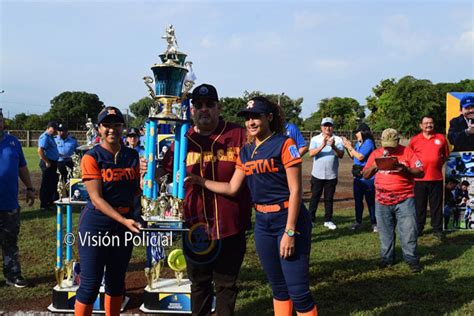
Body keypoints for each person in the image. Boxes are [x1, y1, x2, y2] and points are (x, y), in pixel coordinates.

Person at [186, 96, 316, 316]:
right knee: (278, 288)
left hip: (287, 218)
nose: (251, 122)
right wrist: (201, 181)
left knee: (298, 290)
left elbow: (296, 191)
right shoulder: (246, 151)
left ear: (269, 117)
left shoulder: (285, 143)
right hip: (263, 223)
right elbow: (232, 188)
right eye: (247, 118)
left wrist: (290, 231)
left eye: (256, 116)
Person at [152, 84, 252, 316]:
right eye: (199, 105)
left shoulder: (237, 134)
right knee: (199, 285)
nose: (204, 109)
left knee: (226, 285)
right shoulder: (183, 139)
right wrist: (150, 171)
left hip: (230, 225)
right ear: (192, 109)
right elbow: (164, 174)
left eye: (210, 105)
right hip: (195, 226)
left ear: (219, 107)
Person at [75, 106, 141, 315]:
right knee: (90, 284)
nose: (112, 129)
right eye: (107, 125)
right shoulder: (92, 157)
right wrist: (124, 221)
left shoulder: (132, 155)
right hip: (96, 225)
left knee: (116, 281)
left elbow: (136, 192)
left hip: (123, 225)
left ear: (123, 127)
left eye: (117, 125)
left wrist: (148, 178)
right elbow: (96, 198)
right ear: (98, 129)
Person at [362, 128, 424, 273]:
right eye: (386, 144)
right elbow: (365, 175)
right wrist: (374, 167)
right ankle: (387, 259)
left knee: (408, 231)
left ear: (398, 141)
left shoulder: (407, 152)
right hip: (382, 200)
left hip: (405, 199)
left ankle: (411, 259)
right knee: (385, 232)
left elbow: (421, 172)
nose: (388, 148)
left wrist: (405, 169)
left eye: (392, 144)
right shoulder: (376, 154)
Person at [0, 111, 35, 288]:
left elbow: (22, 167)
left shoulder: (13, 142)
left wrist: (29, 188)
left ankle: (13, 275)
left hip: (9, 204)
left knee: (10, 242)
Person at [408, 115, 449, 239]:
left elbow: (445, 155)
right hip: (419, 179)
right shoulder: (415, 140)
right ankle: (419, 228)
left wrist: (435, 164)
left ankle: (437, 229)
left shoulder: (441, 138)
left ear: (434, 124)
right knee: (419, 206)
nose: (428, 125)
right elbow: (410, 157)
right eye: (425, 123)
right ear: (421, 125)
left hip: (436, 178)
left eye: (431, 123)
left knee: (436, 206)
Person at [308, 117, 344, 229]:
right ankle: (310, 219)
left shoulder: (337, 139)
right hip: (317, 174)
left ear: (332, 127)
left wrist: (333, 146)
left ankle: (328, 220)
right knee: (315, 197)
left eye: (329, 125)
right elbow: (311, 153)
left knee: (329, 198)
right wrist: (322, 145)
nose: (327, 128)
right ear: (321, 127)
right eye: (325, 125)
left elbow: (341, 155)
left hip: (331, 174)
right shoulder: (315, 139)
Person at [342, 123, 377, 232]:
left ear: (363, 132)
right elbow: (353, 155)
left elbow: (360, 157)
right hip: (358, 176)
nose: (356, 134)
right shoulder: (359, 143)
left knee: (370, 201)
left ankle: (374, 223)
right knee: (358, 200)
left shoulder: (369, 143)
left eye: (357, 132)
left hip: (368, 177)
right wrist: (347, 146)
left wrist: (349, 147)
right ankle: (358, 221)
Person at [37, 121, 59, 209]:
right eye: (53, 129)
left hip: (52, 162)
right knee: (46, 183)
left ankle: (50, 202)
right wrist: (46, 161)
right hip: (47, 163)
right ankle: (44, 204)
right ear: (48, 128)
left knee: (52, 183)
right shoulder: (45, 137)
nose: (54, 131)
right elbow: (40, 150)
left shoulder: (51, 137)